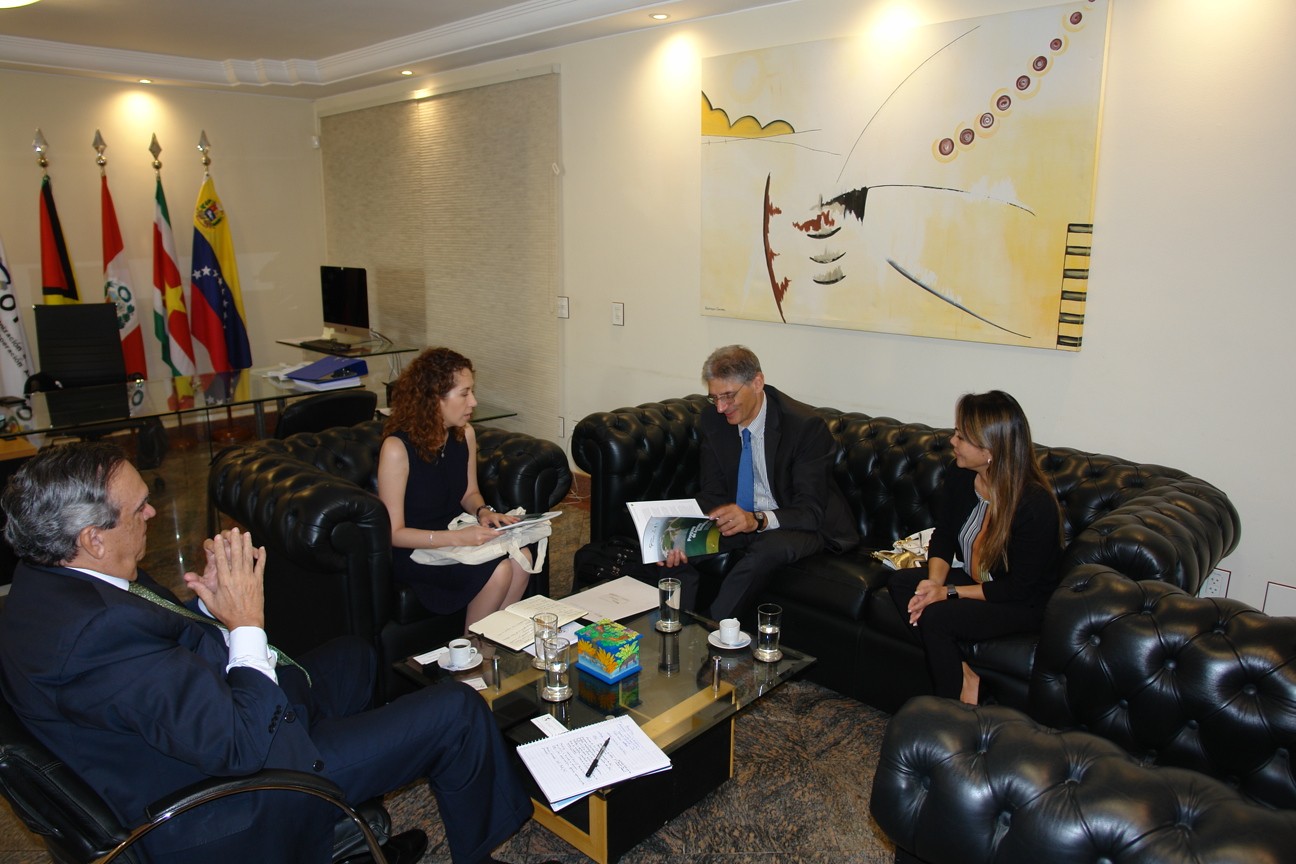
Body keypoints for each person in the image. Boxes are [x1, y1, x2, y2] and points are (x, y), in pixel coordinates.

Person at [0, 441, 533, 864]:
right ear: (92, 538)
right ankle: (470, 848)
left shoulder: (50, 582)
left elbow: (154, 652)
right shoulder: (97, 631)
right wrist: (245, 623)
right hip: (235, 789)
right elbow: (240, 744)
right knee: (457, 710)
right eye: (139, 507)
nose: (153, 510)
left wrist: (207, 606)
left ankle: (340, 824)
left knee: (356, 656)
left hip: (205, 724)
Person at [888, 390, 1064, 705]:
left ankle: (948, 708)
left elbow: (1017, 588)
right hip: (977, 580)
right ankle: (967, 675)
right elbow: (944, 535)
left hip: (1020, 602)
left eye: (962, 437)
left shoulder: (1035, 505)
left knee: (938, 618)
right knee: (902, 583)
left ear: (990, 449)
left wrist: (948, 593)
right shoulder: (961, 473)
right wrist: (934, 584)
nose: (952, 441)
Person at [662, 345, 858, 621]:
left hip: (800, 522)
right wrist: (677, 528)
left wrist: (757, 520)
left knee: (765, 551)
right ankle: (675, 623)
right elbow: (714, 492)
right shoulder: (714, 420)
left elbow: (810, 511)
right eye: (714, 398)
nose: (721, 407)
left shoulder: (804, 427)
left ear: (757, 382)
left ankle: (711, 631)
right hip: (742, 515)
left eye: (728, 396)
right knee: (675, 546)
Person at [378, 348, 534, 630]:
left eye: (471, 391)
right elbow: (393, 533)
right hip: (415, 549)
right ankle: (471, 653)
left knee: (523, 557)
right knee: (499, 571)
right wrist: (459, 538)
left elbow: (468, 493)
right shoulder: (397, 448)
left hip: (454, 534)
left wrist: (483, 512)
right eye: (464, 393)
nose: (473, 402)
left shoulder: (465, 434)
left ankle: (497, 647)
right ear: (434, 398)